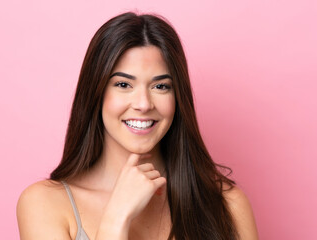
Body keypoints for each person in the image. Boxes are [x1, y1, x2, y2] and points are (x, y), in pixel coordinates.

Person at [17, 12, 258, 240]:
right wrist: (117, 217)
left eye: (161, 86)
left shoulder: (227, 205)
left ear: (178, 99)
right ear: (96, 94)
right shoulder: (45, 203)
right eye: (123, 85)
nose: (143, 104)